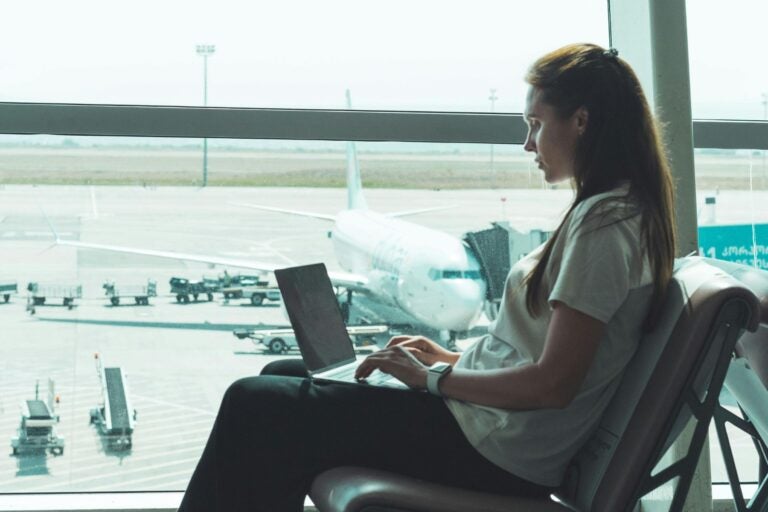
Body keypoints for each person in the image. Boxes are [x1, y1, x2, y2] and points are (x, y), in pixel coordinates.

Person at [178, 43, 677, 512]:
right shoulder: (610, 212)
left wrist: (433, 378)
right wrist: (446, 358)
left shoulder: (606, 226)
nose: (527, 143)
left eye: (536, 124)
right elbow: (539, 355)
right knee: (280, 378)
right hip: (485, 428)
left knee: (254, 404)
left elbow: (553, 384)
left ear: (582, 122)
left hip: (494, 449)